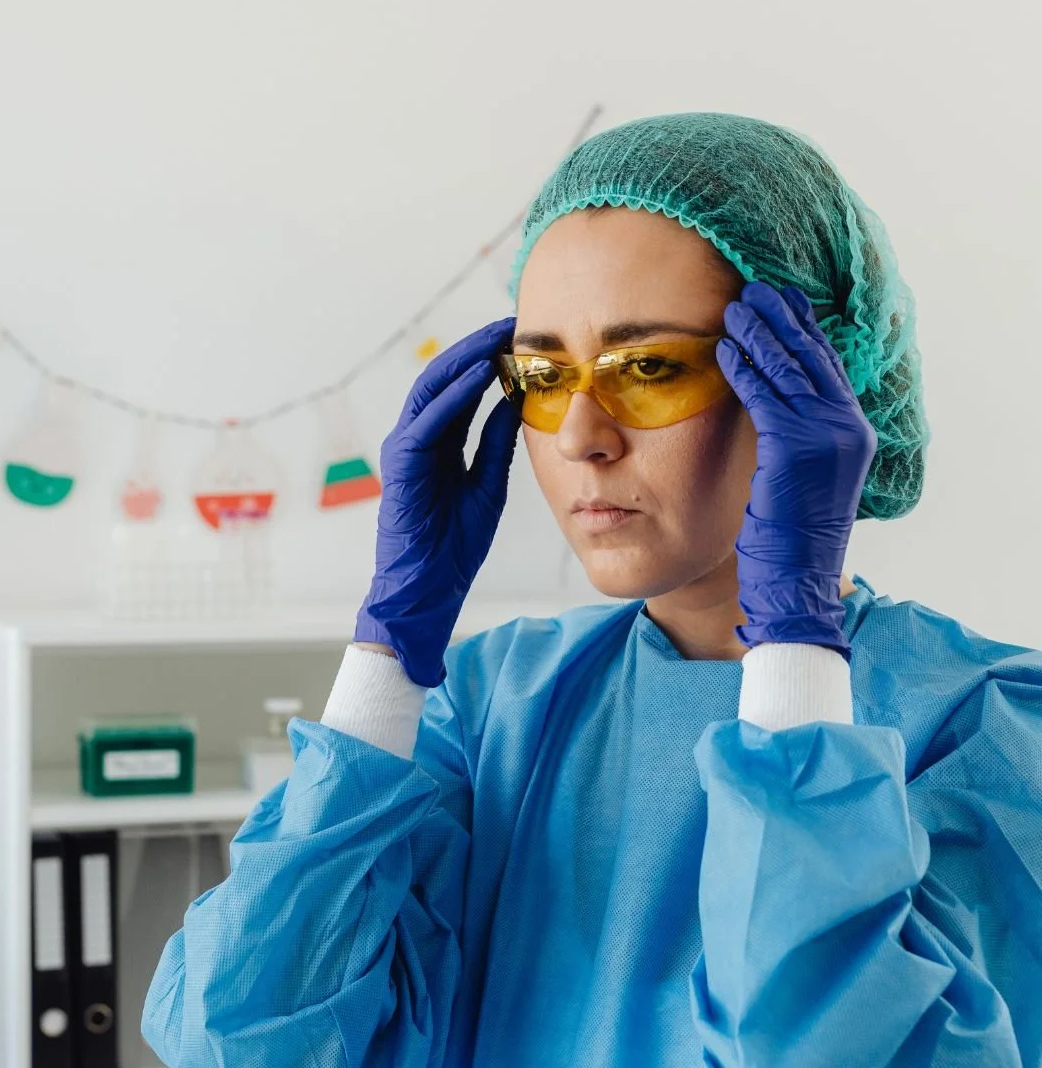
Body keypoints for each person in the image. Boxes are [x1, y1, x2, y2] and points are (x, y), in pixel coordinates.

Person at [141, 113, 1042, 1067]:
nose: (579, 435)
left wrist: (792, 655)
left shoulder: (982, 725)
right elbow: (237, 1033)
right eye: (543, 373)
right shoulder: (495, 704)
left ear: (815, 384)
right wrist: (386, 658)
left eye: (647, 368)